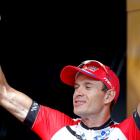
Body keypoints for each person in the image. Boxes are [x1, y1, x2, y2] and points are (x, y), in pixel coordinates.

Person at [0, 60, 140, 140]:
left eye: (88, 86)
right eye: (76, 87)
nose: (77, 93)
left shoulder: (128, 132)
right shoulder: (58, 126)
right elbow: (4, 93)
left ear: (108, 96)